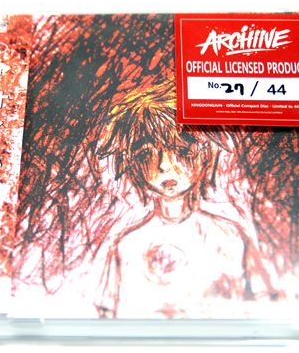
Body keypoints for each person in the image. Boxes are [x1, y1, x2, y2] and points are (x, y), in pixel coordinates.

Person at [94, 80, 252, 318]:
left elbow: (251, 307)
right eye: (146, 155)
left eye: (181, 151)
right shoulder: (127, 245)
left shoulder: (228, 236)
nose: (164, 166)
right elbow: (106, 313)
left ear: (203, 155)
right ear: (133, 164)